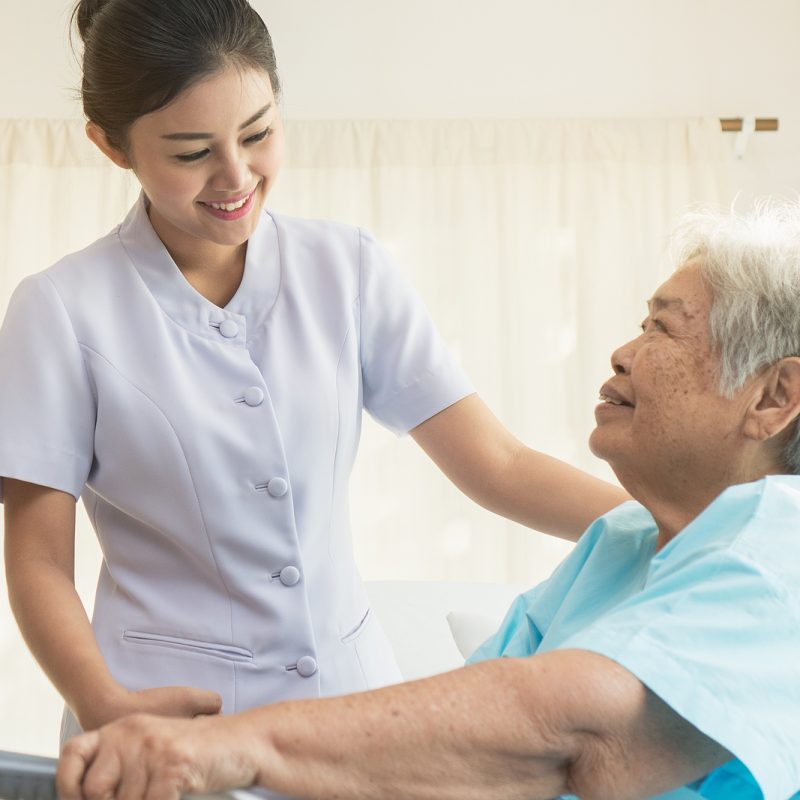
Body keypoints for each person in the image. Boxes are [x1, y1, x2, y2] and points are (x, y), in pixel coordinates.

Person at [0, 0, 626, 753]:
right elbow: (37, 560)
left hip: (351, 708)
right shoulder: (62, 310)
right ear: (111, 147)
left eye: (259, 133)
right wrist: (101, 702)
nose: (236, 176)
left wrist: (682, 524)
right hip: (161, 721)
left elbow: (497, 464)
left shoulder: (347, 268)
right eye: (192, 152)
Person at [57, 203, 800, 800]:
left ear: (774, 396)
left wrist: (234, 743)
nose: (623, 352)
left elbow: (565, 728)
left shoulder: (782, 541)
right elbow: (462, 753)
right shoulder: (623, 544)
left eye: (663, 328)